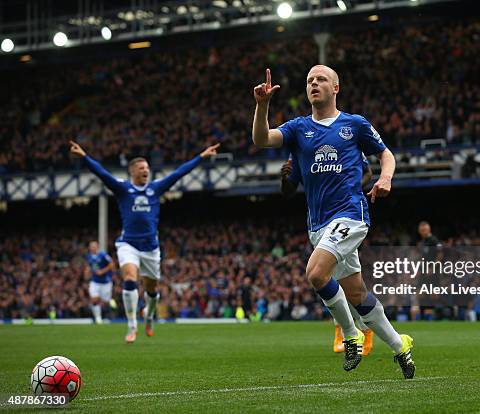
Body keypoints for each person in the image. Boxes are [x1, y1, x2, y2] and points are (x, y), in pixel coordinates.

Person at [252, 66, 415, 378]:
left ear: (336, 88)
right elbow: (262, 139)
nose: (314, 83)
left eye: (321, 79)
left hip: (351, 215)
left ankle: (350, 333)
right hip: (318, 225)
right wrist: (262, 106)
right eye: (310, 80)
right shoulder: (299, 129)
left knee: (315, 273)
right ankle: (400, 345)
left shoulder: (354, 124)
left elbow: (386, 154)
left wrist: (386, 178)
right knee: (356, 293)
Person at [69, 140, 220, 342]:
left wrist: (201, 157)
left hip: (150, 247)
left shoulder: (155, 189)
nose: (146, 171)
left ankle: (148, 317)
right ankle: (132, 326)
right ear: (132, 172)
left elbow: (178, 173)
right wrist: (84, 157)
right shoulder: (123, 189)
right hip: (128, 244)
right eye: (141, 168)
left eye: (147, 168)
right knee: (130, 278)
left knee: (151, 289)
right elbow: (102, 174)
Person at [280, 154, 375, 355]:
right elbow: (287, 191)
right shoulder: (300, 143)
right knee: (340, 282)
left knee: (334, 279)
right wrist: (285, 178)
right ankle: (357, 331)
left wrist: (349, 188)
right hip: (318, 223)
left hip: (344, 218)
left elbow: (368, 172)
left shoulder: (348, 136)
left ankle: (352, 332)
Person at [86, 241, 115, 324]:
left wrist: (102, 271)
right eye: (91, 247)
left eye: (94, 247)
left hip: (105, 282)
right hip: (95, 281)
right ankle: (98, 318)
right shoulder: (89, 256)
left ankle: (110, 303)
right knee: (94, 299)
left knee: (105, 301)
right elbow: (90, 265)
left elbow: (112, 264)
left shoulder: (103, 255)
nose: (92, 248)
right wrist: (87, 271)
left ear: (97, 247)